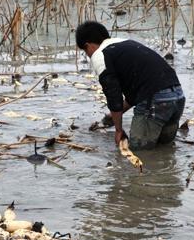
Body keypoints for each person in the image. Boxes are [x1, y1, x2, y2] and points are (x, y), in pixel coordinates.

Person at [75, 21, 185, 150]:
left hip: (155, 102)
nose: (88, 56)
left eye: (85, 51)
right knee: (164, 150)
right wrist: (115, 115)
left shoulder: (100, 55)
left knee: (139, 152)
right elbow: (139, 89)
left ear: (88, 46)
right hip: (177, 97)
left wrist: (118, 129)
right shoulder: (126, 43)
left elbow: (113, 97)